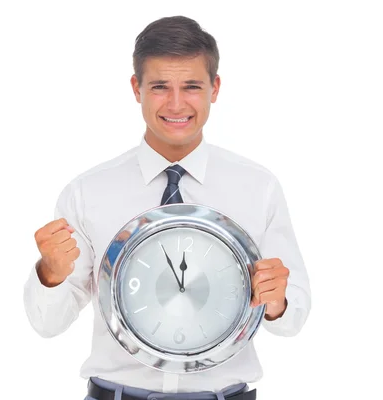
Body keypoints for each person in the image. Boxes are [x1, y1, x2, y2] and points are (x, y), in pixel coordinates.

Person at [23, 15, 311, 400]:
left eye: (191, 86)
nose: (176, 103)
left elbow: (292, 317)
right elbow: (47, 324)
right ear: (136, 88)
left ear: (215, 88)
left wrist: (277, 301)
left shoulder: (258, 187)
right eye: (160, 87)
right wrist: (51, 274)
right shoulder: (88, 192)